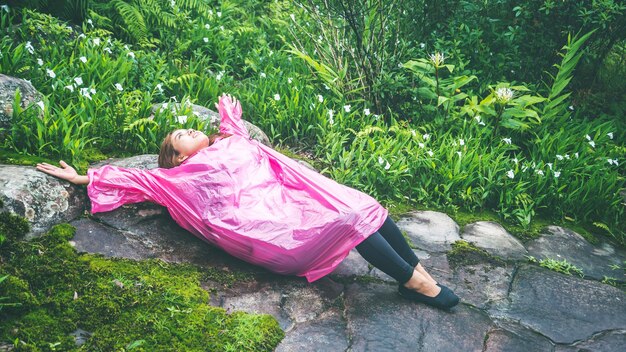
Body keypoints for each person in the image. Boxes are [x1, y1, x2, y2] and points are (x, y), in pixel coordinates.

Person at [36, 94, 459, 310]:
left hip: (290, 206)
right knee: (350, 217)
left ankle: (412, 272)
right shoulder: (176, 178)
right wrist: (81, 177)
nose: (186, 128)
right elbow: (134, 178)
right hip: (269, 233)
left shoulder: (230, 142)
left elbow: (233, 128)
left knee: (363, 202)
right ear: (178, 156)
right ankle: (414, 282)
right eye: (179, 135)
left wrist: (228, 119)